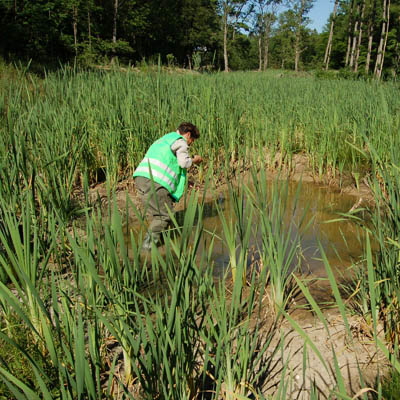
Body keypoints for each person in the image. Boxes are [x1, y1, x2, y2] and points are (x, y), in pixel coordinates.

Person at [133, 122, 203, 250]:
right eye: (192, 140)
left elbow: (169, 164)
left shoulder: (164, 140)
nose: (191, 144)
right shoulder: (181, 141)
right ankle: (146, 249)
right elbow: (183, 163)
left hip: (141, 178)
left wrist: (187, 182)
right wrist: (195, 160)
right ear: (188, 135)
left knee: (160, 213)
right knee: (164, 216)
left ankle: (160, 242)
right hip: (154, 181)